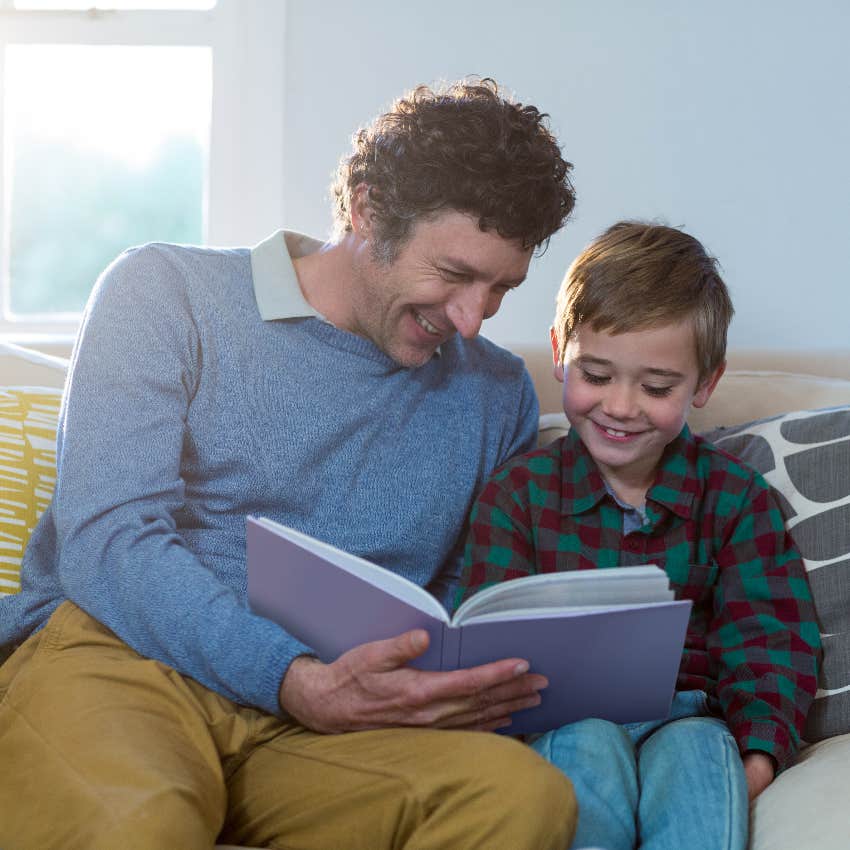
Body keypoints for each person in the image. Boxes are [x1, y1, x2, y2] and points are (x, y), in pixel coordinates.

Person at [0, 79, 580, 850]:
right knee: (140, 825)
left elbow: (455, 593)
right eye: (454, 273)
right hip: (129, 657)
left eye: (501, 287)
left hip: (332, 717)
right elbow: (109, 540)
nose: (473, 318)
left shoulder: (494, 391)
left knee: (519, 796)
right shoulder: (165, 292)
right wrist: (292, 678)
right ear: (367, 212)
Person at [457, 221, 821, 850]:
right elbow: (491, 645)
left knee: (699, 756)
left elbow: (768, 639)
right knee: (586, 746)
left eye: (656, 388)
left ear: (704, 384)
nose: (621, 407)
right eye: (596, 376)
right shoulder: (515, 496)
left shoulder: (736, 499)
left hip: (691, 715)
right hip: (566, 718)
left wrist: (759, 755)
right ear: (559, 354)